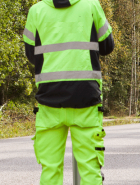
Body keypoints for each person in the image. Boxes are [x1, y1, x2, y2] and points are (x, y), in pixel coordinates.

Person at [23, 0, 114, 184]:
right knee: (90, 171)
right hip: (86, 100)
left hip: (49, 102)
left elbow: (32, 56)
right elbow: (107, 47)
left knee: (50, 171)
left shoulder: (36, 11)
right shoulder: (91, 6)